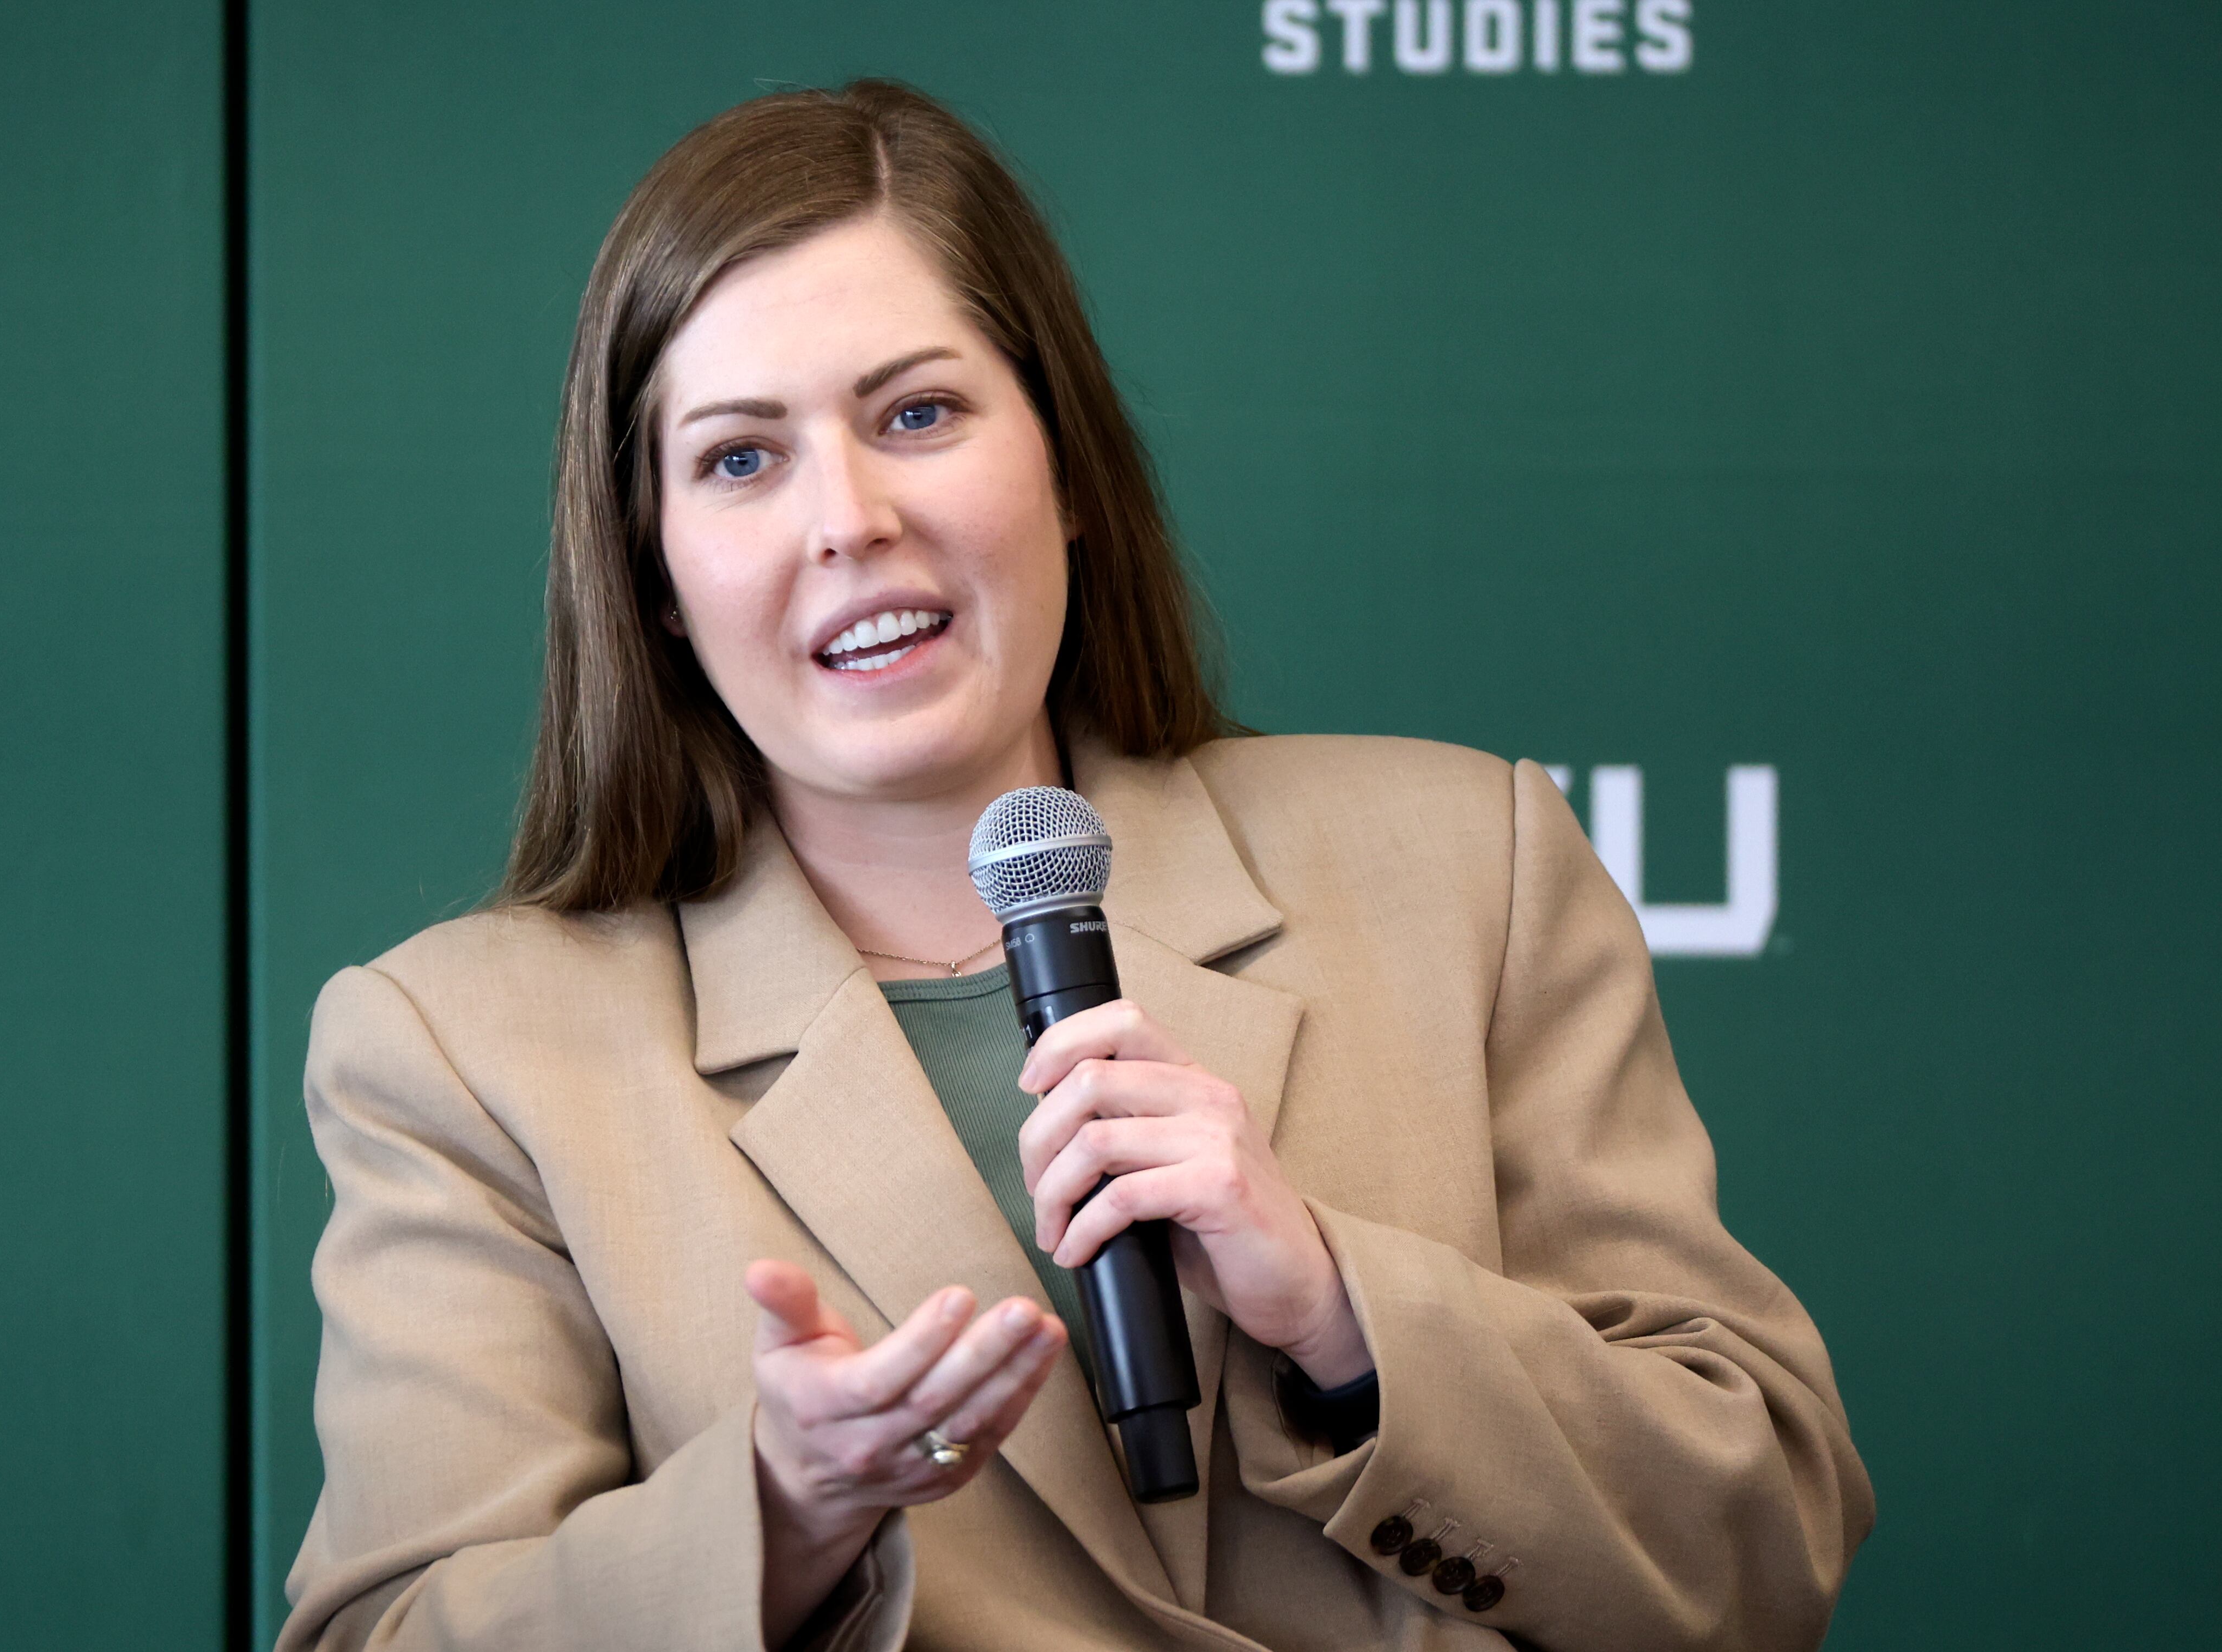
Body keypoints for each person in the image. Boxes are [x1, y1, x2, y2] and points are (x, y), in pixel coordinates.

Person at [277, 81, 1873, 1652]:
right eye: (741, 459)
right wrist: (778, 1514)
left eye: (917, 412)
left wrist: (1337, 1307)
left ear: (1069, 465)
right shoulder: (459, 1049)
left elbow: (1760, 1545)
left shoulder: (1471, 865)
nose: (850, 517)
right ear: (659, 577)